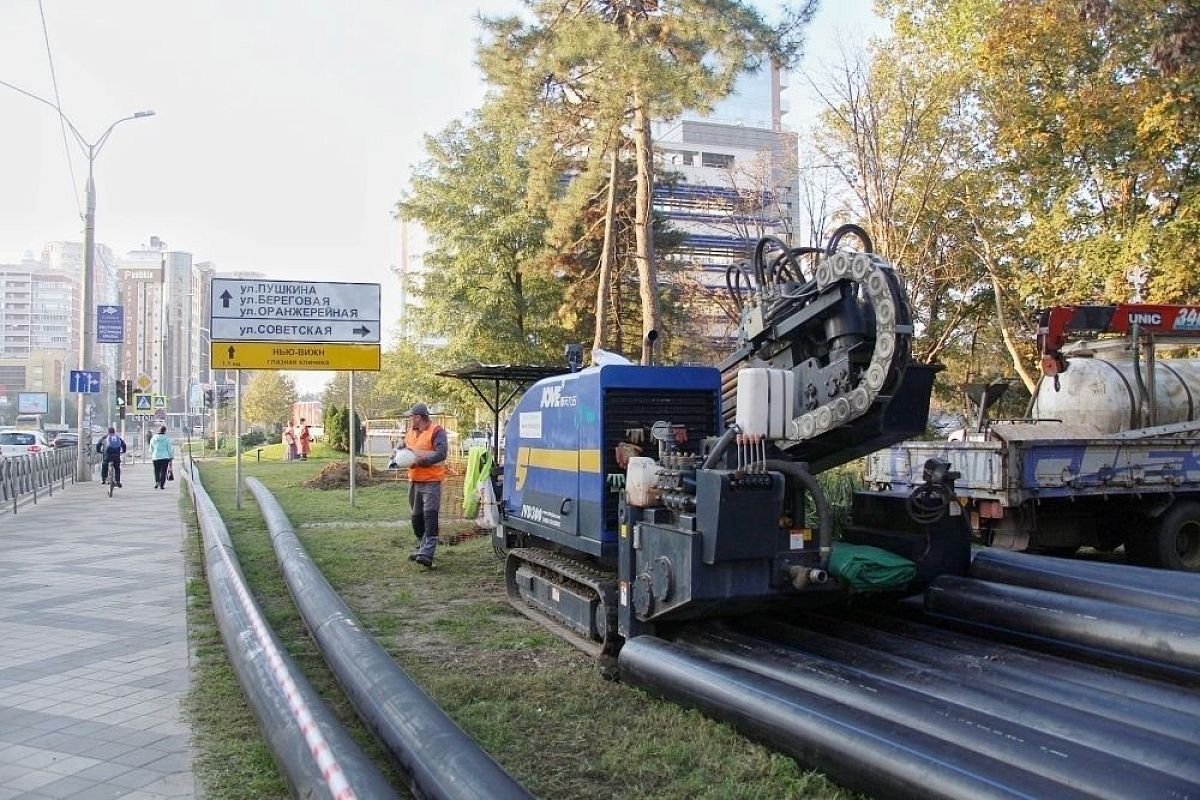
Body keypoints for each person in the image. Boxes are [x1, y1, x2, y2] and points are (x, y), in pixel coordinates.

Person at [401, 404, 447, 568]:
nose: (409, 419)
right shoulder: (411, 432)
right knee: (416, 519)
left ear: (418, 417)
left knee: (430, 517)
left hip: (431, 481)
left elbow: (442, 453)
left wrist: (423, 462)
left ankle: (427, 554)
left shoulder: (437, 432)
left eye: (410, 417)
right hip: (414, 480)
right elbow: (405, 448)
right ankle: (422, 548)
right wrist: (397, 454)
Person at [149, 425, 173, 489]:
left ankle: (157, 481)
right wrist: (171, 456)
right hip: (165, 457)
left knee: (157, 470)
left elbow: (151, 448)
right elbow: (170, 449)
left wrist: (151, 454)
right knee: (163, 471)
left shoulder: (154, 438)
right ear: (165, 431)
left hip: (156, 456)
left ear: (158, 431)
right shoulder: (167, 439)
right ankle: (162, 485)